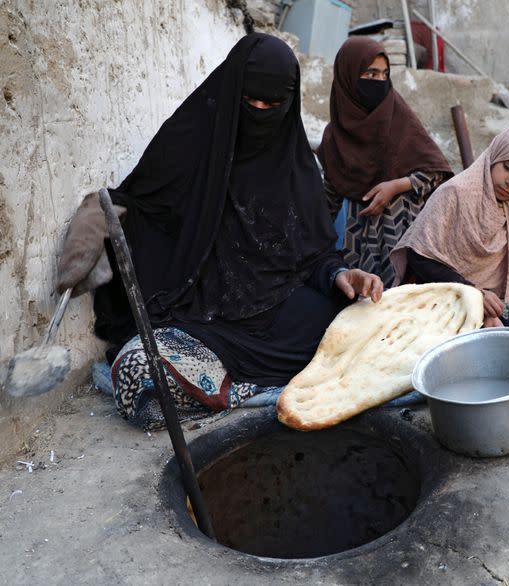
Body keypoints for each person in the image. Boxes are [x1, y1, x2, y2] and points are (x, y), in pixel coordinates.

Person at [56, 34, 383, 429]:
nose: (261, 114)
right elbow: (145, 204)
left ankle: (227, 389)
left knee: (361, 332)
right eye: (251, 103)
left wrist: (340, 275)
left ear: (289, 104)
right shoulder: (190, 144)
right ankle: (241, 389)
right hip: (197, 318)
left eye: (273, 106)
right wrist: (103, 212)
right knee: (138, 371)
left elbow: (314, 258)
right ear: (232, 95)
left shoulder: (296, 169)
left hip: (273, 313)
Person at [390, 122, 509, 328]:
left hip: (480, 308)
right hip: (432, 303)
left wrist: (487, 307)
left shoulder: (507, 207)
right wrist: (473, 293)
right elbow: (419, 255)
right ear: (496, 154)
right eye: (508, 167)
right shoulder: (454, 193)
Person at [317, 36, 453, 287]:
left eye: (384, 75)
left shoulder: (399, 118)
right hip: (350, 238)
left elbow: (436, 171)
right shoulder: (333, 136)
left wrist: (396, 186)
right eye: (370, 74)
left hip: (396, 233)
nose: (379, 82)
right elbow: (329, 194)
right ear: (348, 75)